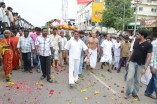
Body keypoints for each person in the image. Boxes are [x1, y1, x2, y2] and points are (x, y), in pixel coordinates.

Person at [125, 30, 152, 101]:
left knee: (137, 80)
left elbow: (149, 56)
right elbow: (133, 51)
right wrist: (128, 61)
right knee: (129, 78)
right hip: (132, 62)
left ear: (142, 36)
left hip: (141, 65)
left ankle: (135, 93)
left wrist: (145, 68)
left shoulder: (148, 44)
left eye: (138, 34)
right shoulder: (136, 41)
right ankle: (127, 93)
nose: (137, 35)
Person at [144, 34, 157, 99]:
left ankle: (148, 92)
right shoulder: (154, 44)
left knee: (153, 80)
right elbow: (151, 56)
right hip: (155, 66)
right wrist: (151, 67)